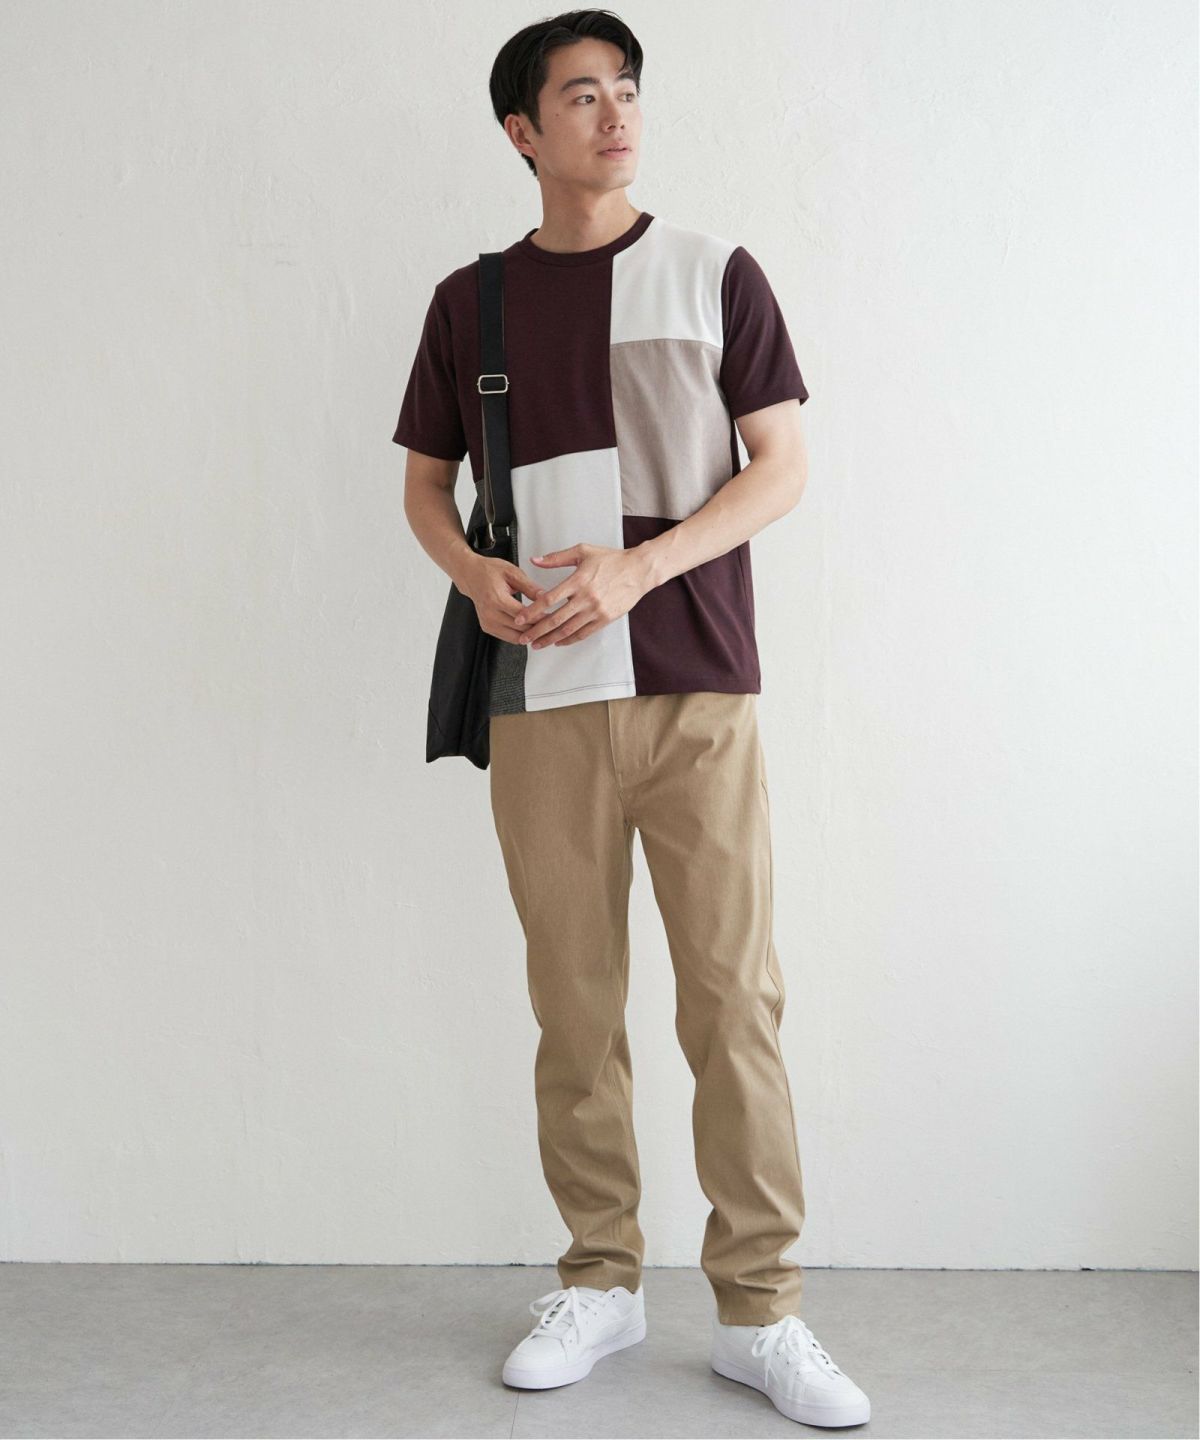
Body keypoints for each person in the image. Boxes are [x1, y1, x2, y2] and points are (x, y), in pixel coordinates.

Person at [392, 8, 870, 1429]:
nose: (617, 116)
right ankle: (601, 1278)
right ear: (521, 130)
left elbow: (780, 468)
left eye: (628, 92)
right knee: (575, 1004)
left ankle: (762, 1311)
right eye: (582, 95)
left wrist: (640, 570)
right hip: (541, 700)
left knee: (734, 1002)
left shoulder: (714, 272)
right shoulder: (470, 302)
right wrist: (470, 572)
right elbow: (423, 483)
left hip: (696, 685)